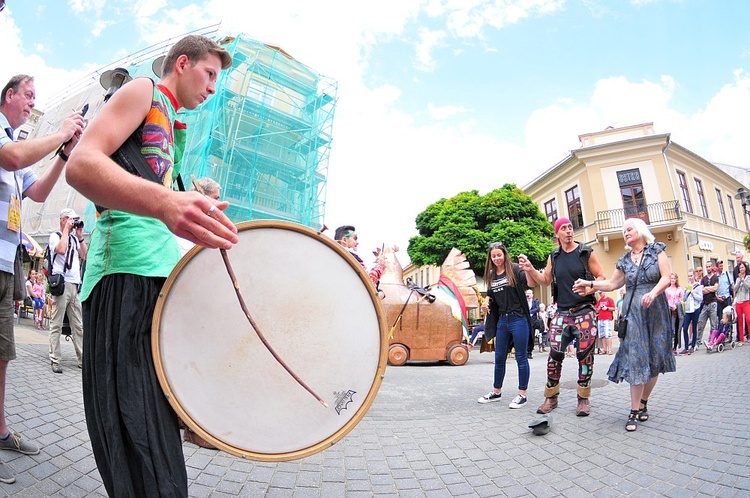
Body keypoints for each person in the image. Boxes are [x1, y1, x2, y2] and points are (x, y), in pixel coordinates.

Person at [66, 35, 236, 497]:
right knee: (134, 435)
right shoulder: (143, 90)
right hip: (124, 274)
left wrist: (191, 213)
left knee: (154, 436)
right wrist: (165, 204)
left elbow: (154, 197)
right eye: (210, 74)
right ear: (182, 62)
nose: (213, 88)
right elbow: (80, 166)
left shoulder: (172, 123)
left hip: (155, 278)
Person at [0, 74, 85, 483]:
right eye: (28, 94)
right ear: (9, 95)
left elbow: (38, 193)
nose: (34, 102)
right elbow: (13, 158)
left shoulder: (18, 144)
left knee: (1, 352)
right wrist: (62, 133)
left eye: (37, 97)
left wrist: (65, 154)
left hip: (6, 261)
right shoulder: (7, 141)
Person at [573, 218, 675, 432]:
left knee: (655, 358)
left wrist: (653, 292)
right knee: (637, 358)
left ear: (640, 230)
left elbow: (667, 277)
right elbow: (612, 284)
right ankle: (634, 410)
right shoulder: (625, 260)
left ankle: (644, 401)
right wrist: (590, 284)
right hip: (634, 313)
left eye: (629, 229)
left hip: (656, 310)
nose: (626, 232)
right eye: (623, 230)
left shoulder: (657, 250)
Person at [517, 217, 606, 417]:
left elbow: (601, 276)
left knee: (585, 357)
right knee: (554, 356)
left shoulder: (585, 253)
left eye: (570, 227)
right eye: (563, 228)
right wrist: (530, 269)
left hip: (585, 310)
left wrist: (590, 286)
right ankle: (551, 397)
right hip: (562, 312)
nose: (568, 231)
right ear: (557, 233)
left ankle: (583, 398)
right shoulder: (554, 256)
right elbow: (545, 280)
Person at [477, 242, 532, 409]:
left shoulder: (515, 269)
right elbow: (491, 294)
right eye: (494, 256)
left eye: (499, 255)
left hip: (518, 319)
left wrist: (528, 268)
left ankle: (522, 395)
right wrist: (486, 303)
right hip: (502, 321)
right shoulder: (492, 275)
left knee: (521, 357)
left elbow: (530, 283)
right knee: (499, 357)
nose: (497, 258)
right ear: (490, 258)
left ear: (504, 255)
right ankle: (496, 391)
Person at [47, 208, 86, 373]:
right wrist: (65, 231)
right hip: (61, 285)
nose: (73, 222)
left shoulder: (74, 239)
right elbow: (61, 250)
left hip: (74, 286)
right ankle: (55, 359)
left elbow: (84, 255)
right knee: (56, 324)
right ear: (63, 219)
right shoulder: (56, 236)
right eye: (71, 219)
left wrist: (80, 236)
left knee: (78, 325)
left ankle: (83, 360)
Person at [679, 269, 703, 355]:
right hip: (688, 310)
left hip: (695, 309)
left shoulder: (698, 286)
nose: (690, 277)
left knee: (694, 327)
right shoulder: (687, 286)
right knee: (685, 328)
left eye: (691, 276)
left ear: (694, 276)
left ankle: (693, 346)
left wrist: (693, 293)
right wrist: (686, 292)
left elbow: (700, 298)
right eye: (689, 276)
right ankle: (686, 347)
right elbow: (684, 299)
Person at [696, 261, 719, 348]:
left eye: (709, 266)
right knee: (701, 322)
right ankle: (697, 342)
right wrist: (710, 289)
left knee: (714, 324)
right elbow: (702, 290)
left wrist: (707, 288)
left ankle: (711, 341)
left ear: (712, 267)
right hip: (705, 304)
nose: (708, 268)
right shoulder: (703, 279)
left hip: (713, 303)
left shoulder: (715, 277)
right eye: (707, 267)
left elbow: (716, 288)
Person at [664, 273, 684, 354]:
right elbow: (665, 300)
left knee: (676, 329)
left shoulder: (679, 289)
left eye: (674, 278)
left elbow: (682, 300)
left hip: (677, 310)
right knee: (671, 329)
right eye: (671, 278)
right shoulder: (667, 290)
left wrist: (677, 305)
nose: (672, 280)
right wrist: (669, 305)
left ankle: (675, 347)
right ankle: (670, 346)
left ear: (676, 280)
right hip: (669, 310)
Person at [733, 261, 750, 344]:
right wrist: (739, 280)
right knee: (740, 321)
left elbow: (748, 288)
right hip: (738, 302)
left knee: (748, 319)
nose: (741, 269)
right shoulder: (737, 279)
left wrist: (743, 281)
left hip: (745, 300)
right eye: (740, 268)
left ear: (745, 268)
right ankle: (741, 339)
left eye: (743, 267)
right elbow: (735, 289)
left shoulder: (748, 278)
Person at [715, 260, 733, 325]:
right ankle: (722, 332)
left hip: (727, 298)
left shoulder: (727, 274)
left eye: (722, 266)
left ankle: (729, 332)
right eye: (720, 266)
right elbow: (715, 290)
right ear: (717, 267)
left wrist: (733, 296)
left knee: (729, 316)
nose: (721, 267)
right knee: (721, 318)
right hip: (720, 299)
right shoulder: (715, 277)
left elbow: (732, 286)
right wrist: (717, 298)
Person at [525, 289, 539, 358]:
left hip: (532, 320)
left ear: (532, 294)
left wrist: (530, 312)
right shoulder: (524, 301)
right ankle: (525, 351)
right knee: (525, 335)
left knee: (532, 336)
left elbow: (537, 308)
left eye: (529, 293)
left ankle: (529, 352)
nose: (528, 295)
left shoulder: (535, 301)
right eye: (527, 293)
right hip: (525, 320)